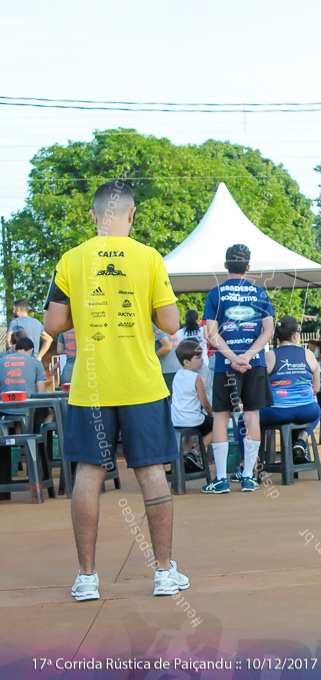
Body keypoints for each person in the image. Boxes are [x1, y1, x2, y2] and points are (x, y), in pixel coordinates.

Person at [43, 180, 189, 601]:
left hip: (90, 385)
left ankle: (87, 578)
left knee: (87, 475)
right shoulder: (149, 258)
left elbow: (52, 326)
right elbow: (170, 323)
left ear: (93, 216)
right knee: (151, 474)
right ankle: (163, 572)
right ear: (132, 214)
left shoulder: (71, 259)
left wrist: (85, 315)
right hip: (142, 385)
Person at [201, 243, 275, 494]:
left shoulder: (216, 293)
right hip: (255, 364)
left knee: (221, 417)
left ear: (226, 265)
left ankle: (221, 479)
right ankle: (248, 477)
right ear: (248, 267)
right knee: (252, 415)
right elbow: (269, 330)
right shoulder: (260, 294)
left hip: (225, 364)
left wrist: (233, 357)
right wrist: (248, 356)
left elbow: (210, 333)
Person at [260, 315, 321, 464]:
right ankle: (301, 439)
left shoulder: (268, 356)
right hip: (307, 410)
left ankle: (251, 465)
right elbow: (317, 389)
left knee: (246, 421)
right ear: (295, 335)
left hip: (276, 412)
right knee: (318, 411)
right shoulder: (308, 354)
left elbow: (260, 389)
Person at [170, 339, 214, 468]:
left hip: (176, 419)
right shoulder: (196, 378)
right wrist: (211, 414)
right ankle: (196, 451)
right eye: (198, 358)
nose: (201, 360)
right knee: (218, 426)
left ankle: (185, 455)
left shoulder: (177, 375)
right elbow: (205, 403)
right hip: (192, 419)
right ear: (186, 362)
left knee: (191, 430)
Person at [0, 336, 47, 433]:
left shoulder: (2, 360)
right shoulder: (36, 363)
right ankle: (41, 440)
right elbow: (42, 393)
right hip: (28, 408)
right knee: (50, 413)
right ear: (31, 350)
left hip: (5, 408)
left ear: (16, 348)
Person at [176, 309, 212, 404]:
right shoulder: (202, 331)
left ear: (185, 319)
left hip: (186, 366)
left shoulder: (179, 333)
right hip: (202, 364)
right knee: (206, 389)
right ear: (197, 320)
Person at [154, 324, 180, 392]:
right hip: (176, 368)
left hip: (165, 370)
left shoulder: (155, 326)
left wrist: (149, 359)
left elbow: (167, 347)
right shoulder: (169, 326)